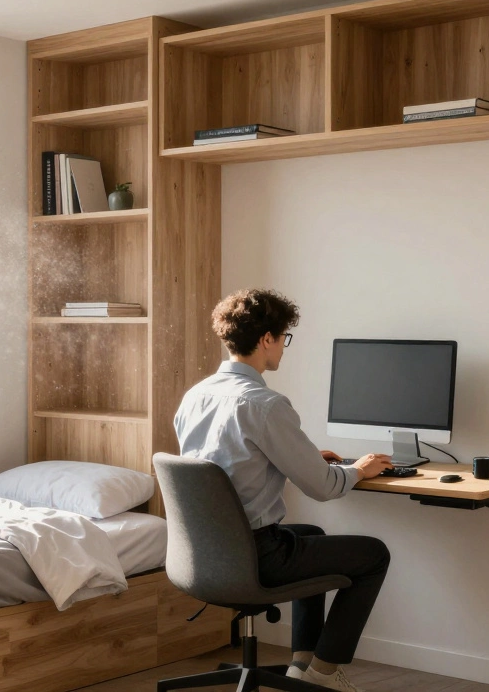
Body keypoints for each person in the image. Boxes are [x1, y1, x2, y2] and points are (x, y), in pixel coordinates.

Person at [173, 289, 393, 692]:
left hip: (203, 555)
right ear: (266, 339)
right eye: (283, 338)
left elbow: (225, 468)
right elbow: (324, 488)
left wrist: (298, 456)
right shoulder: (265, 404)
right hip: (255, 556)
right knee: (374, 554)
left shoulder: (195, 396)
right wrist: (359, 470)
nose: (283, 348)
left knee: (312, 535)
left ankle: (301, 666)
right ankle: (324, 673)